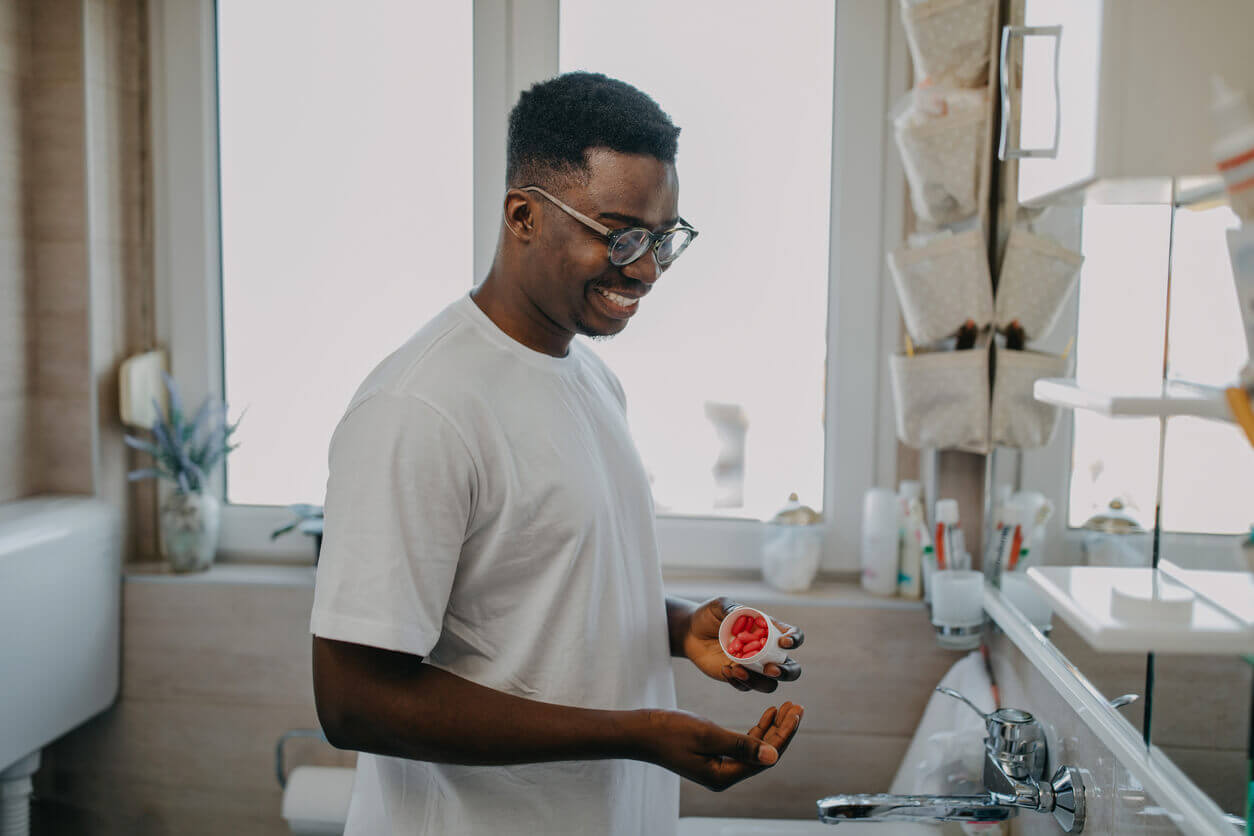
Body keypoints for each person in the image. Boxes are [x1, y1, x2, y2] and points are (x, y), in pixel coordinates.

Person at [310, 71, 805, 836]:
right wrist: (637, 734)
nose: (644, 269)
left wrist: (676, 627)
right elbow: (354, 701)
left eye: (663, 238)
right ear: (524, 216)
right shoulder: (420, 408)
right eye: (620, 234)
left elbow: (542, 592)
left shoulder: (591, 378)